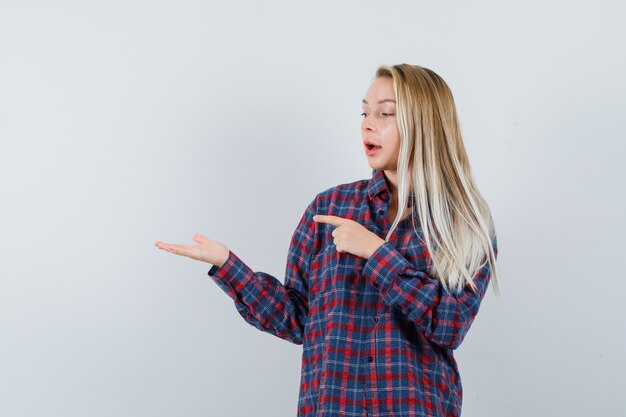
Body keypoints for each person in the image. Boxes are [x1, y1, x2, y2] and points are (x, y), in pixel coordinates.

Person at [155, 63, 500, 417]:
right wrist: (228, 266)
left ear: (425, 124)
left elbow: (450, 325)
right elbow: (297, 318)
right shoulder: (329, 208)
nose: (367, 123)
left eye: (385, 113)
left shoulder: (464, 223)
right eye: (364, 111)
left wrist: (377, 252)